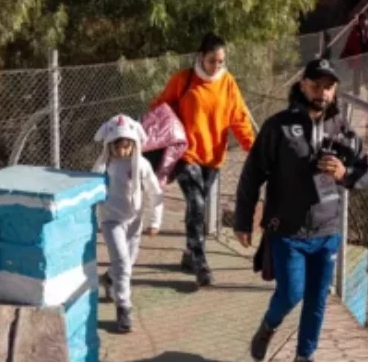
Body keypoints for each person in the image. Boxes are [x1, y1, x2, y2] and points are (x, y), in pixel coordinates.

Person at [234, 58, 368, 362]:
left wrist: (345, 175)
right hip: (287, 229)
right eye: (315, 85)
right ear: (302, 85)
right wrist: (243, 219)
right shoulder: (278, 127)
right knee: (291, 292)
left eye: (328, 86)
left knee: (317, 297)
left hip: (327, 230)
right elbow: (252, 174)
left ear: (334, 90)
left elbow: (367, 171)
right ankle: (269, 325)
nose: (322, 92)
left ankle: (304, 359)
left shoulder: (342, 130)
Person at [150, 33, 256, 286]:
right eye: (212, 61)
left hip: (213, 158)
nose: (216, 66)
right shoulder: (183, 80)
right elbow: (159, 106)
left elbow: (239, 118)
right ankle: (200, 261)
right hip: (186, 154)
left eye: (221, 61)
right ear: (200, 57)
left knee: (196, 207)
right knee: (197, 203)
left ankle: (188, 253)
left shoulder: (228, 83)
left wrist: (254, 148)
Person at [93, 115, 164, 334]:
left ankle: (108, 279)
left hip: (133, 220)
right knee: (123, 263)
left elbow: (154, 192)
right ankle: (123, 307)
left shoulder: (141, 165)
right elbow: (91, 189)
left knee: (127, 265)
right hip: (111, 219)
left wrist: (154, 221)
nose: (122, 152)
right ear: (109, 145)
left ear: (134, 145)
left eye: (126, 147)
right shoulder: (104, 167)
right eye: (118, 147)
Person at [339, 17, 368, 99]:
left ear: (367, 21)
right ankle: (357, 96)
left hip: (367, 57)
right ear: (359, 22)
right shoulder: (355, 30)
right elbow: (350, 43)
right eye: (361, 23)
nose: (363, 25)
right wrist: (344, 54)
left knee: (367, 76)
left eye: (364, 23)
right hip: (357, 58)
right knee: (356, 77)